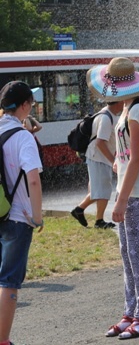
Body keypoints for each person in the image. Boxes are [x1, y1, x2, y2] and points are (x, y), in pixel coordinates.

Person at [87, 57, 139, 339]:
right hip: (130, 191)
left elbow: (137, 159)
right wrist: (118, 163)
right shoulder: (128, 110)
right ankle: (130, 312)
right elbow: (127, 156)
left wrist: (121, 200)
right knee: (128, 256)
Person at [0, 81, 44, 345]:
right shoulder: (23, 137)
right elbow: (34, 180)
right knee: (9, 281)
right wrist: (37, 217)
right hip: (16, 218)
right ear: (25, 106)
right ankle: (3, 339)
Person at [70, 101, 124, 229]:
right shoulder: (106, 118)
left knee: (99, 189)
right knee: (103, 189)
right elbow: (100, 142)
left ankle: (81, 211)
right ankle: (97, 220)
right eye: (123, 101)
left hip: (98, 157)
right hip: (98, 157)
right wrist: (113, 161)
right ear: (118, 103)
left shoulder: (107, 114)